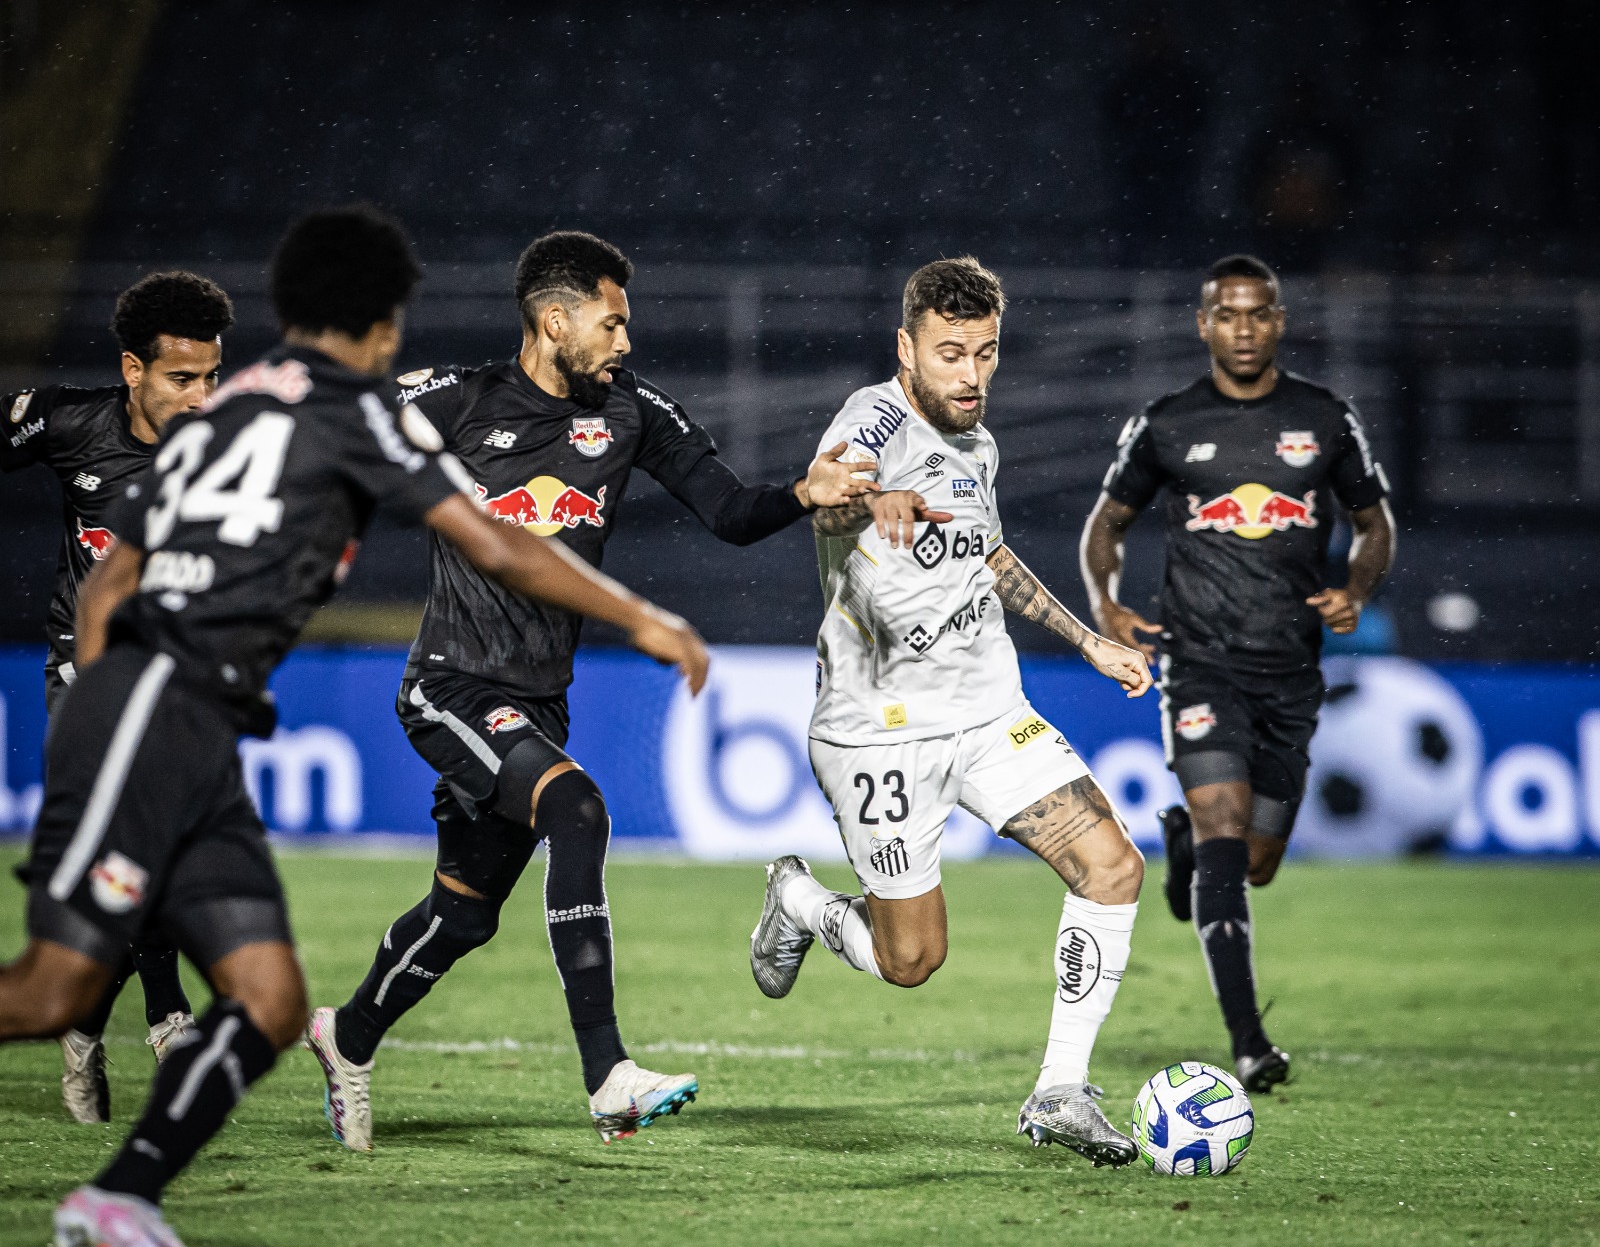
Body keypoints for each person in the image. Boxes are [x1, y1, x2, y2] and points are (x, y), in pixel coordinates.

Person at [0, 205, 709, 1247]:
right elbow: (507, 550)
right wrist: (648, 618)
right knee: (60, 987)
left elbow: (112, 576)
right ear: (378, 321)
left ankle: (116, 1200)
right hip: (158, 721)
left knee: (272, 996)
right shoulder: (353, 416)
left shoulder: (240, 406)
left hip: (176, 724)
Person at [307, 229, 876, 1151]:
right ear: (553, 319)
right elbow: (342, 435)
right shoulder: (457, 399)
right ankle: (608, 1074)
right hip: (450, 685)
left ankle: (349, 1034)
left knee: (463, 912)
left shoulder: (632, 410)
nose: (625, 342)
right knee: (578, 809)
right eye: (611, 323)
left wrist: (802, 494)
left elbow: (731, 513)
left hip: (539, 699)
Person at [748, 256, 1154, 1165]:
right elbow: (824, 491)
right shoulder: (876, 414)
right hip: (878, 734)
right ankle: (801, 900)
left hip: (986, 710)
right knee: (911, 961)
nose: (970, 375)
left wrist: (1089, 643)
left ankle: (1059, 1092)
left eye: (986, 353)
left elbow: (991, 555)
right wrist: (867, 492)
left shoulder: (978, 444)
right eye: (949, 355)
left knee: (1113, 866)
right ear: (907, 349)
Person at [1079, 253, 1395, 1092]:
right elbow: (1105, 527)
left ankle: (1186, 850)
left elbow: (1375, 524)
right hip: (1201, 663)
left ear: (1279, 322)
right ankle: (1249, 1042)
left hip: (1290, 672)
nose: (1244, 328)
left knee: (1254, 863)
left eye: (1259, 314)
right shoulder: (1168, 423)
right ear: (1204, 325)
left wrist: (1356, 588)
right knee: (1226, 827)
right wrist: (1107, 606)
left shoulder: (1326, 420)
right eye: (1228, 314)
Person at [2, 271, 235, 1123]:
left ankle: (81, 1030)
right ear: (134, 370)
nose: (202, 396)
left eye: (213, 376)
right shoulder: (68, 423)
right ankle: (168, 1010)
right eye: (183, 378)